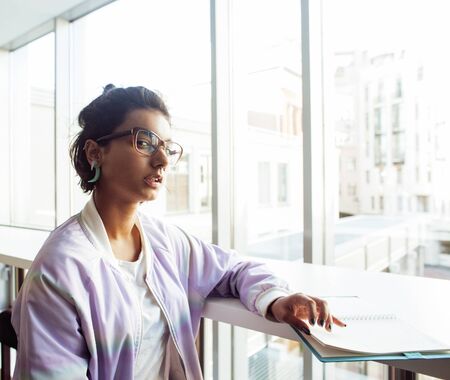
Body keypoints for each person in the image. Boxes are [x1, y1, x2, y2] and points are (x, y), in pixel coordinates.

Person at [12, 84, 344, 380]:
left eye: (168, 148)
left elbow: (235, 269)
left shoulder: (164, 242)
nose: (162, 161)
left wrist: (276, 300)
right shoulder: (60, 269)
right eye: (144, 142)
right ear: (95, 152)